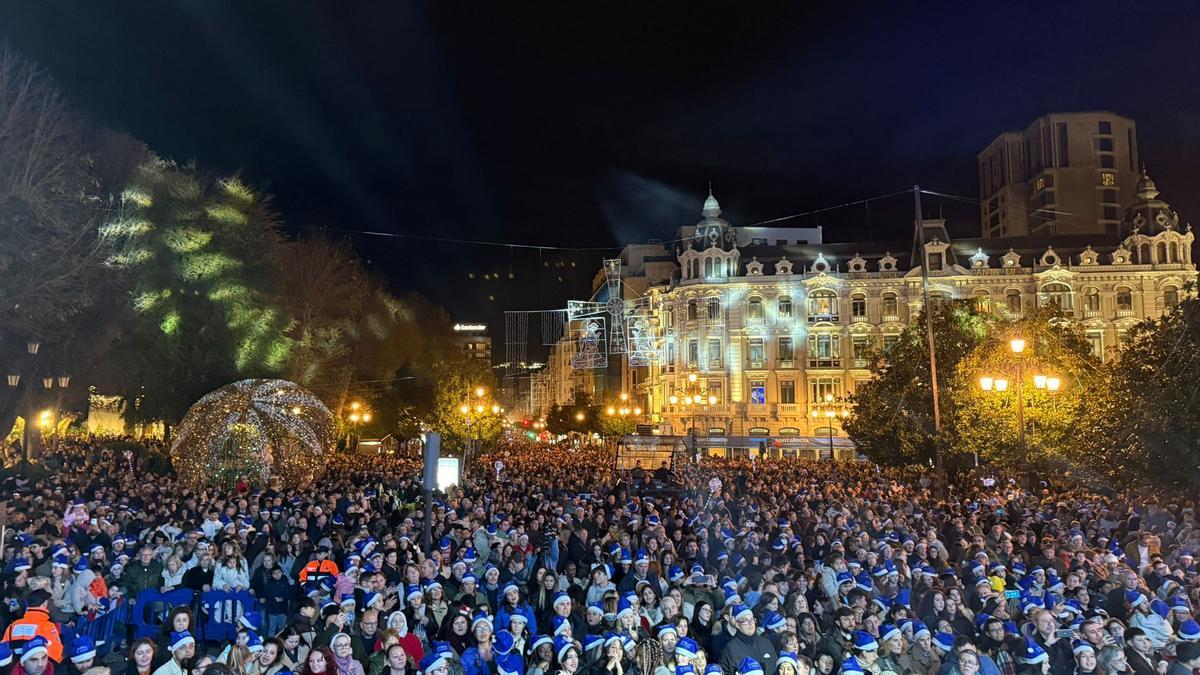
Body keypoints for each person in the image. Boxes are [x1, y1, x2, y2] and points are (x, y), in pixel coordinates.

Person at [3, 591, 63, 664]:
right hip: (39, 669)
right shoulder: (47, 626)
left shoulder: (12, 626)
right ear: (45, 603)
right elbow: (56, 653)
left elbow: (3, 649)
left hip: (15, 669)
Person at [719, 605, 777, 675]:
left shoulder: (766, 643)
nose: (750, 624)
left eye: (752, 620)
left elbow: (776, 668)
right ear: (737, 624)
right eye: (745, 621)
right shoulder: (730, 648)